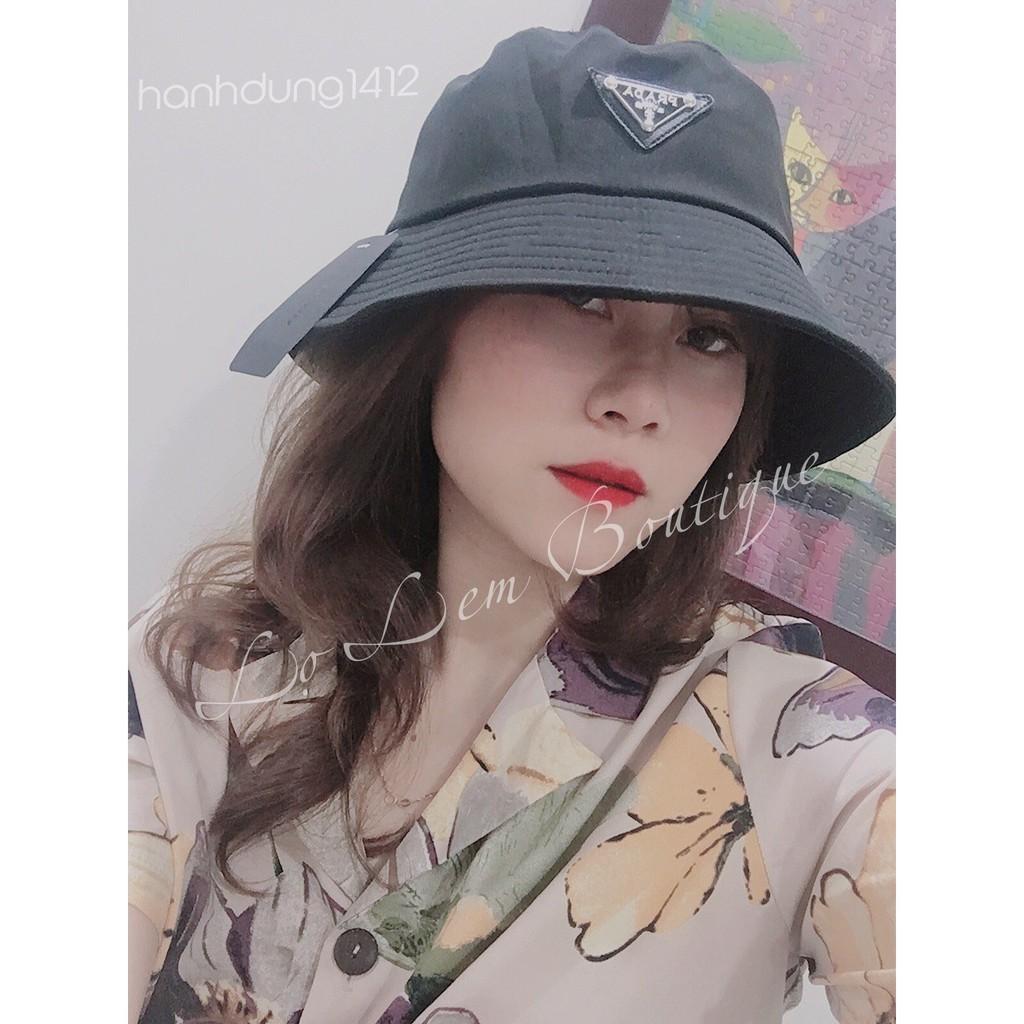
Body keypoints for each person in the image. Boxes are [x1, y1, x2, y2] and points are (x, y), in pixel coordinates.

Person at [128, 25, 896, 1024]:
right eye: (581, 294)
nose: (640, 397)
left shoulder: (799, 745)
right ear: (430, 324)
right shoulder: (201, 675)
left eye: (709, 335)